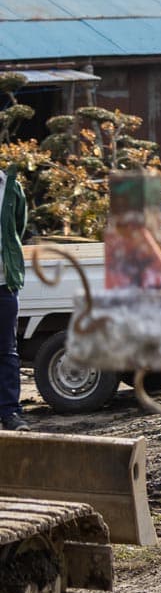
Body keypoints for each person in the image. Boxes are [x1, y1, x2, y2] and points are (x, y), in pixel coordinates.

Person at [0, 162, 26, 431]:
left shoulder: (10, 186)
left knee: (7, 349)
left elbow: (18, 228)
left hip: (3, 284)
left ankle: (10, 412)